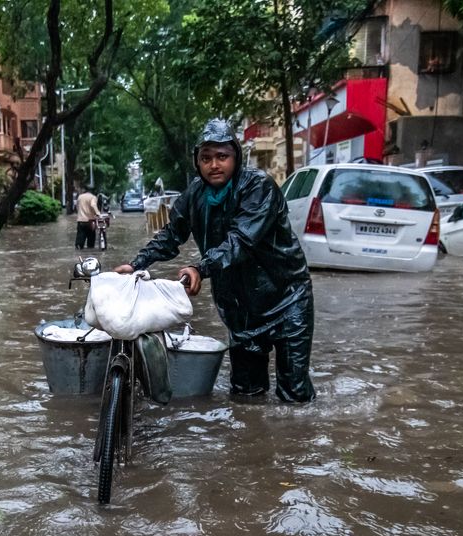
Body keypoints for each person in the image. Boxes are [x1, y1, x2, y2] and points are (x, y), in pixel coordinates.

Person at [114, 118, 315, 403]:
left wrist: (200, 267)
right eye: (206, 158)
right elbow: (172, 235)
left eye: (222, 156)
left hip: (287, 298)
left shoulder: (258, 188)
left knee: (294, 395)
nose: (214, 165)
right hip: (241, 308)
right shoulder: (195, 194)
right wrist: (137, 264)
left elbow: (240, 241)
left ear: (235, 157)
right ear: (197, 162)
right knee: (246, 396)